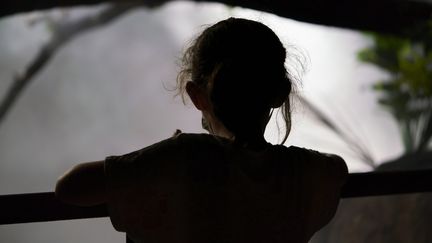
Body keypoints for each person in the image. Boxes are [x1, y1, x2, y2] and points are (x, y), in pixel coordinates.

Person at [55, 17, 348, 243]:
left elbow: (70, 187)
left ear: (197, 96)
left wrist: (165, 155)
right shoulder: (306, 170)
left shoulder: (184, 157)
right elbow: (338, 169)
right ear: (280, 93)